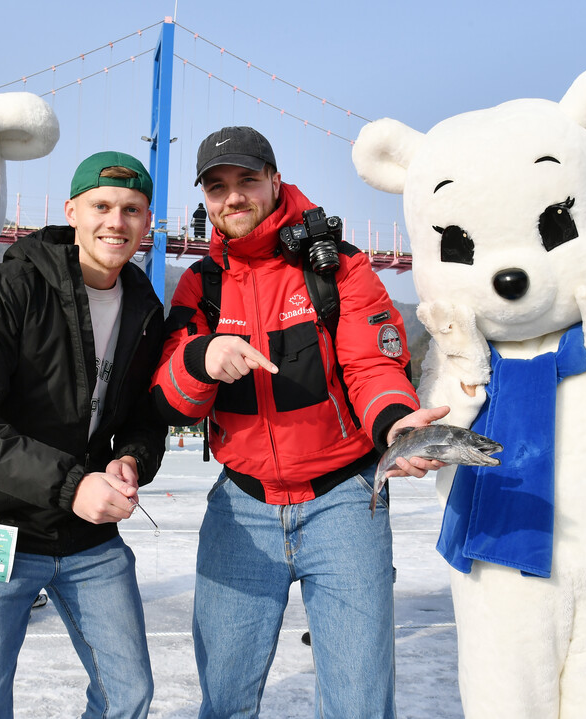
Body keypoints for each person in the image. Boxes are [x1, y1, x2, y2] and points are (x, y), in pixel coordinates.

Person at [150, 125, 447, 718]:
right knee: (225, 698)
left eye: (246, 181)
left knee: (357, 702)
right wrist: (200, 360)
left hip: (344, 504)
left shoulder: (338, 268)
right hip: (242, 505)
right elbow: (170, 401)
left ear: (274, 179)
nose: (232, 198)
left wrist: (395, 425)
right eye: (217, 187)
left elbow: (371, 366)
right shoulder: (200, 284)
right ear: (205, 199)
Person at [0, 151, 167, 719]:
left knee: (128, 693)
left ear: (148, 221)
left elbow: (143, 415)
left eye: (132, 209)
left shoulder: (142, 305)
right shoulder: (8, 290)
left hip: (88, 537)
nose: (116, 221)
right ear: (71, 211)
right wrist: (71, 485)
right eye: (102, 206)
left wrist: (131, 460)